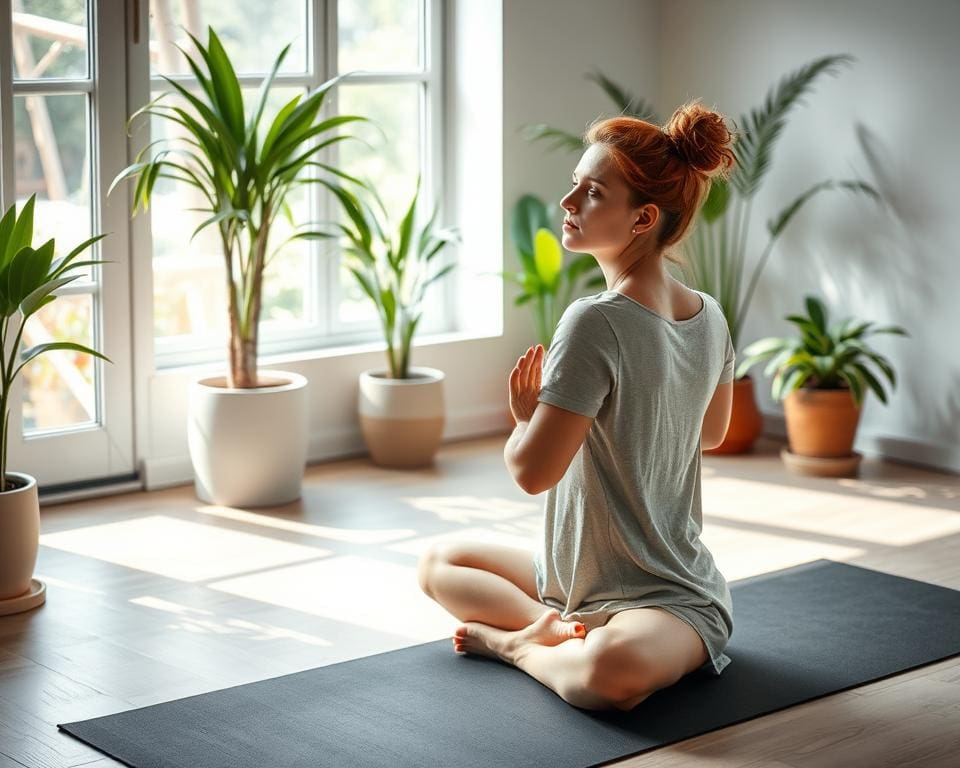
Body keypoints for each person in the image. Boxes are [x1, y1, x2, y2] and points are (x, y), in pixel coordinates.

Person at [417, 99, 738, 712]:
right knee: (439, 560)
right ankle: (553, 629)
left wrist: (524, 421)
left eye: (592, 193)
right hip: (573, 578)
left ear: (643, 218)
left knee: (608, 676)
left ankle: (518, 645)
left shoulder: (594, 320)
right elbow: (713, 432)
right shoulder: (712, 315)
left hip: (670, 599)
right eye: (575, 186)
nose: (568, 204)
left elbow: (532, 473)